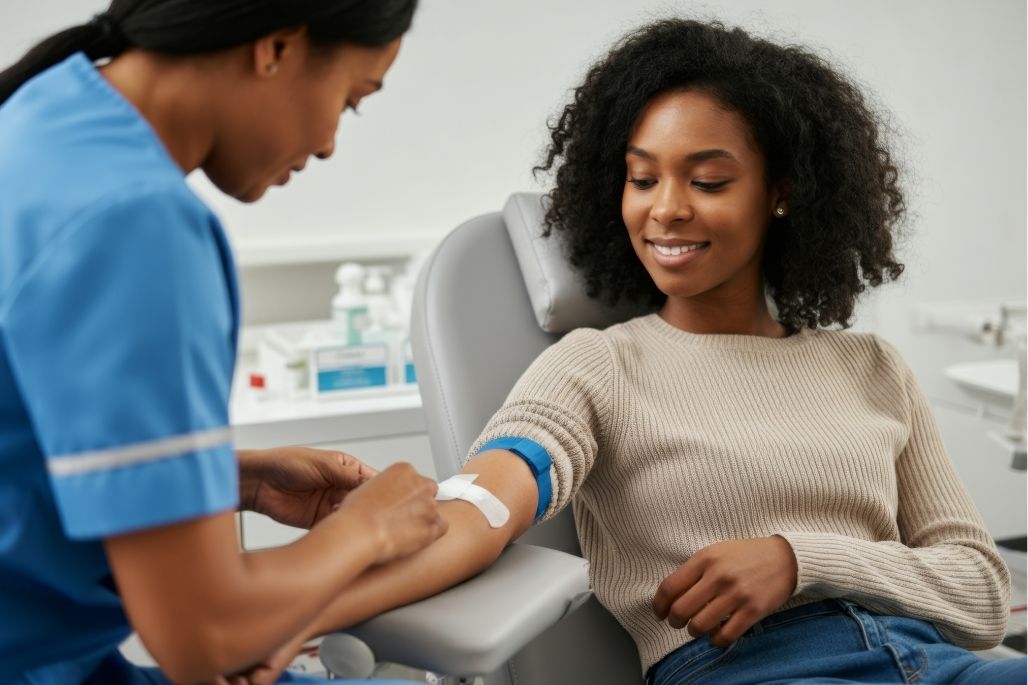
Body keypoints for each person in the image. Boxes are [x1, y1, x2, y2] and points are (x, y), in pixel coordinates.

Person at [251, 18, 1028, 685]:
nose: (666, 209)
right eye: (642, 178)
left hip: (947, 663)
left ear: (782, 192)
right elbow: (475, 512)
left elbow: (983, 592)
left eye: (709, 181)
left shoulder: (873, 368)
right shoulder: (599, 365)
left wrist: (800, 559)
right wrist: (280, 614)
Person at [0, 2, 448, 684]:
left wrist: (228, 479)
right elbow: (205, 635)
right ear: (276, 48)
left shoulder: (45, 116)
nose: (330, 142)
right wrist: (369, 529)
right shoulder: (137, 225)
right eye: (350, 101)